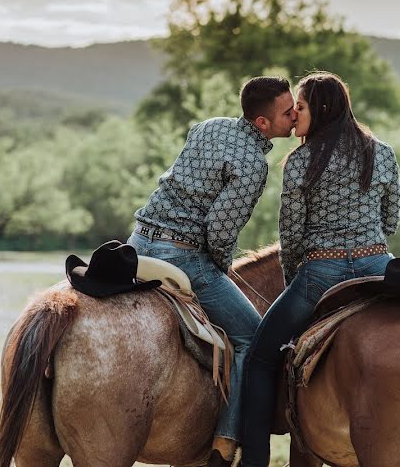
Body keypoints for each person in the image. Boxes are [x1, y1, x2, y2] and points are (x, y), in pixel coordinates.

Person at [127, 76, 297, 467]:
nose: (294, 116)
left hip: (138, 243)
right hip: (183, 256)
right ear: (263, 123)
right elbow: (219, 231)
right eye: (287, 112)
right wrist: (220, 268)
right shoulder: (253, 165)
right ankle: (225, 442)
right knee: (251, 338)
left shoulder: (208, 126)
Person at [239, 71, 400, 467]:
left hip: (322, 274)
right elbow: (391, 220)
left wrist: (296, 279)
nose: (295, 113)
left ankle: (254, 461)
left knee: (259, 360)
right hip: (378, 269)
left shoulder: (300, 161)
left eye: (302, 105)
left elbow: (291, 235)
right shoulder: (382, 153)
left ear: (322, 110)